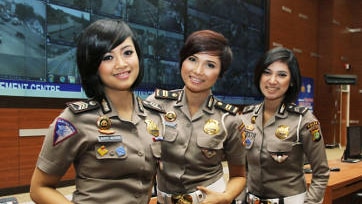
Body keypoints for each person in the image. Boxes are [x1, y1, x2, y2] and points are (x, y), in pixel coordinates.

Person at [29, 19, 163, 204]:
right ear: (93, 65)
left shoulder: (154, 117)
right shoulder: (75, 120)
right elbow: (39, 188)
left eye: (128, 53)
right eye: (108, 57)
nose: (121, 64)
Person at [147, 30, 246, 204]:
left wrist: (226, 197)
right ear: (182, 61)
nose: (198, 71)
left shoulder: (229, 119)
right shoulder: (157, 104)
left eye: (210, 65)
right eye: (192, 59)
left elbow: (239, 175)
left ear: (220, 72)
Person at [240, 47, 330, 204]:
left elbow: (321, 173)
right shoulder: (246, 118)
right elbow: (243, 169)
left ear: (292, 81)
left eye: (281, 75)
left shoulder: (304, 120)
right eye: (267, 72)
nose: (272, 80)